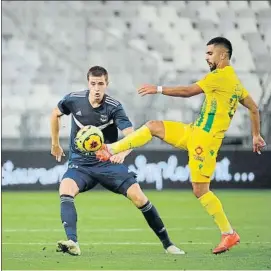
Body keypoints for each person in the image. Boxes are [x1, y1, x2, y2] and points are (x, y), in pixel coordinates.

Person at [96, 38, 267, 254]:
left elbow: (188, 92)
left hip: (204, 141)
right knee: (154, 126)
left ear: (223, 55)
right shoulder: (234, 81)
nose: (207, 57)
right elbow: (253, 108)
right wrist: (255, 134)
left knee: (200, 190)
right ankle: (111, 149)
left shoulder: (219, 77)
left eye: (210, 53)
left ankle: (228, 233)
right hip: (194, 132)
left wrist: (158, 88)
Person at [50, 66, 183, 256]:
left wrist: (123, 152)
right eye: (93, 84)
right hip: (81, 164)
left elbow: (132, 135)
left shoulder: (114, 106)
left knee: (139, 198)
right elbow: (55, 114)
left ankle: (169, 245)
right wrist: (55, 143)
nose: (97, 88)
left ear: (107, 84)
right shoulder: (74, 100)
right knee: (65, 189)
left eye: (101, 84)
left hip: (108, 163)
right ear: (88, 83)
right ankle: (72, 242)